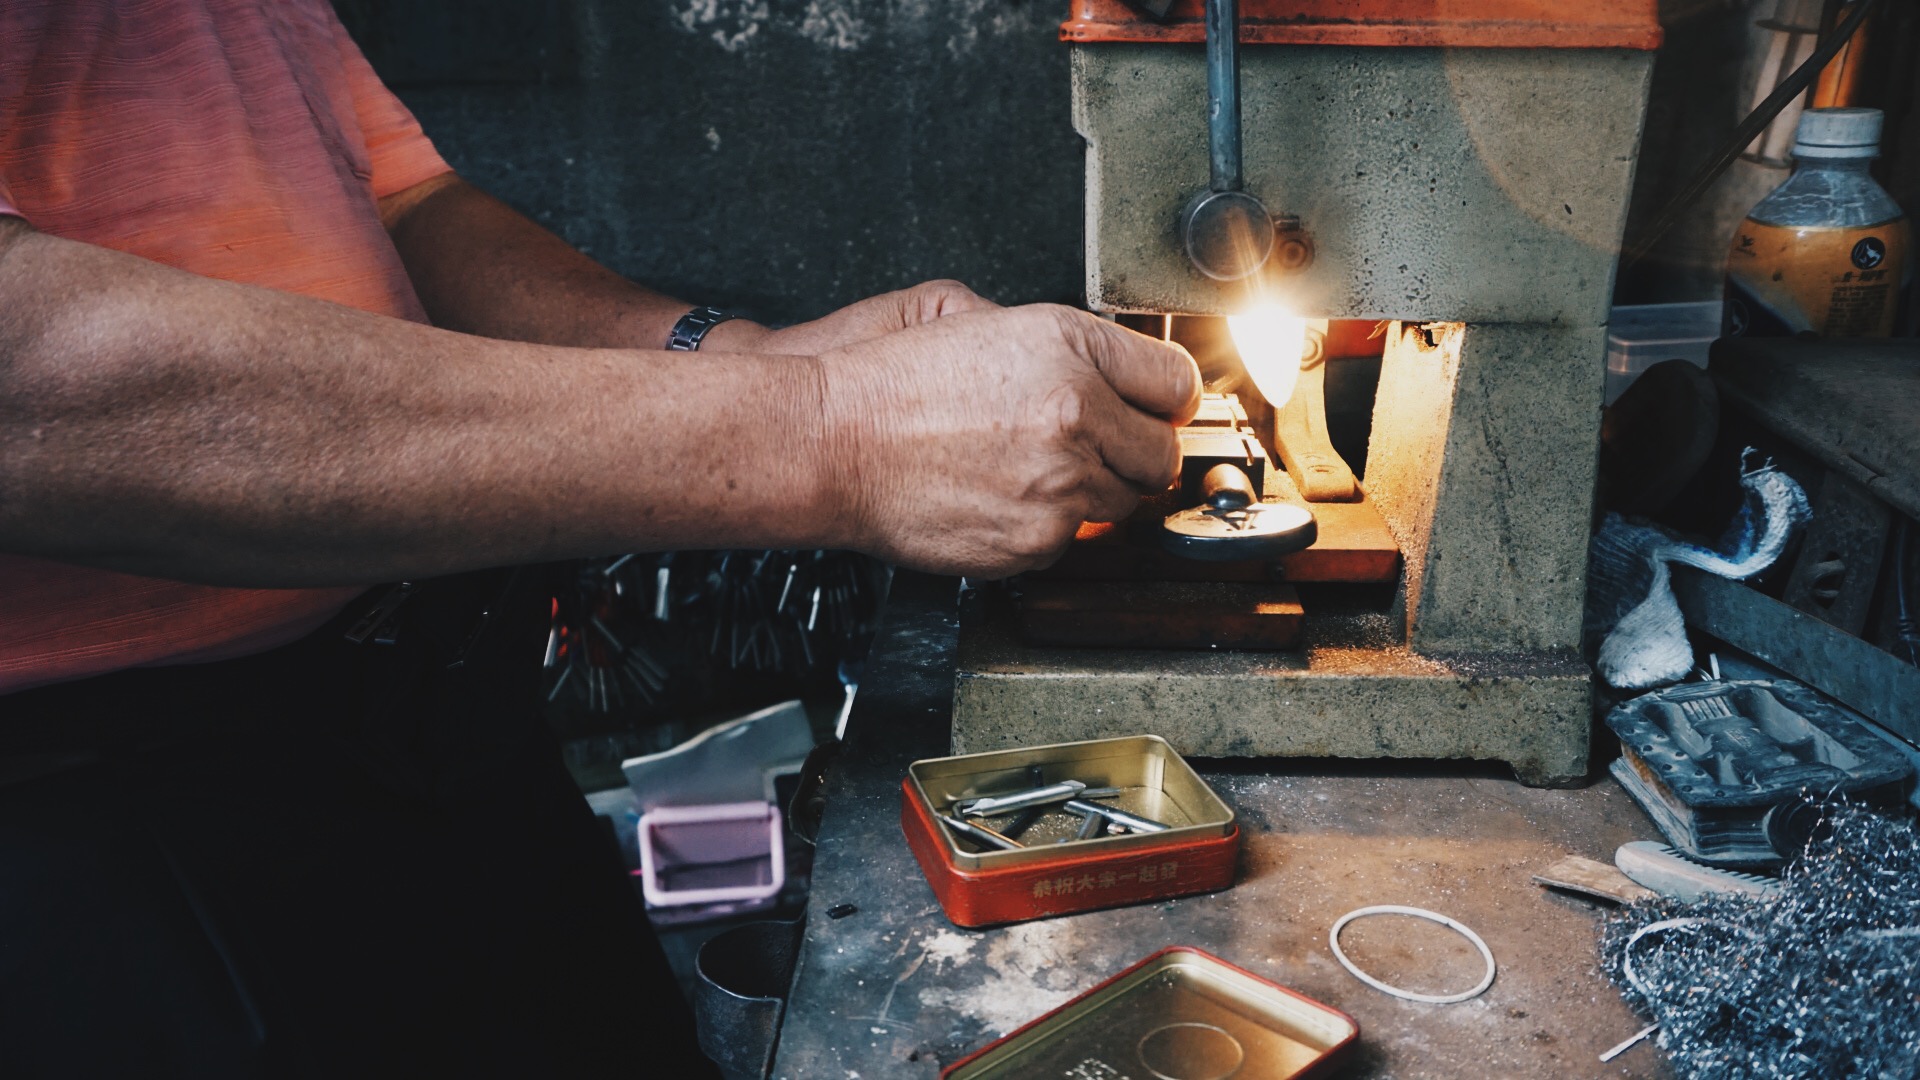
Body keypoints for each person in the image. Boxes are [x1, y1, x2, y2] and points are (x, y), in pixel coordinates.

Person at [0, 2, 1199, 1077]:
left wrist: (752, 364)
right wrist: (830, 433)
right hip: (99, 851)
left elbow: (399, 205)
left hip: (419, 733)